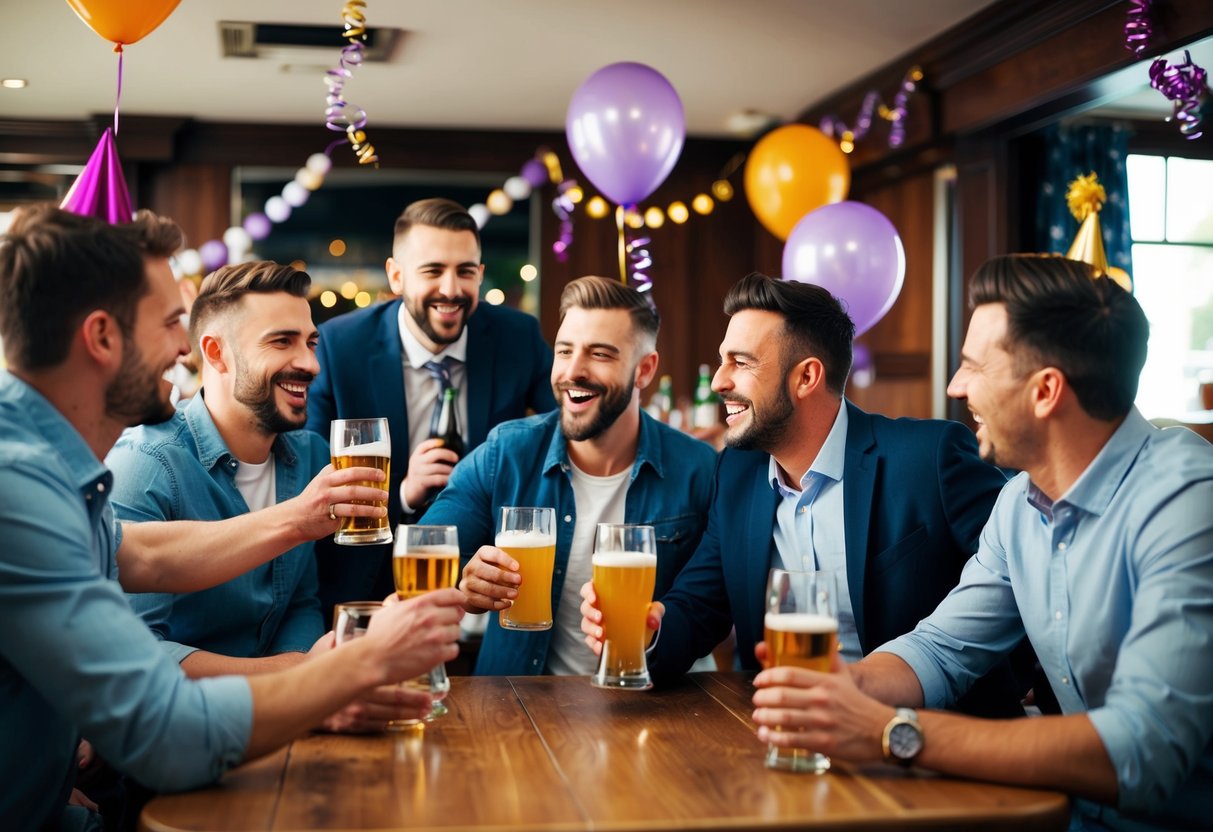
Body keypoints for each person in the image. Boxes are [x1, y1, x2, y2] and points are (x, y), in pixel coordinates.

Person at [0, 204, 465, 831]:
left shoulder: (44, 467)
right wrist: (357, 664)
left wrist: (301, 520)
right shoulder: (18, 483)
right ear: (103, 337)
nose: (181, 345)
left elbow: (143, 553)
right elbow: (165, 729)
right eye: (169, 322)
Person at [750, 255, 1213, 830]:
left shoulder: (1189, 498)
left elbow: (1144, 749)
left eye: (973, 367)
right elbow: (942, 648)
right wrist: (847, 684)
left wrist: (889, 732)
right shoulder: (1020, 502)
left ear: (1046, 391)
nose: (954, 386)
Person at [581, 272, 1023, 716]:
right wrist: (649, 630)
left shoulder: (930, 458)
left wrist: (1023, 698)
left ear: (807, 376)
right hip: (782, 733)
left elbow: (1019, 587)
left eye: (741, 362)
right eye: (722, 360)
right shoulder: (738, 472)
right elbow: (699, 606)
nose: (718, 381)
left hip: (927, 739)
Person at [106, 261, 417, 732]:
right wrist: (301, 676)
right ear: (216, 353)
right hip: (176, 739)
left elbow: (298, 601)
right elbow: (139, 655)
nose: (311, 363)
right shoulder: (148, 463)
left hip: (284, 728)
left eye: (311, 343)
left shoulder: (311, 454)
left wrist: (311, 670)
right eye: (281, 341)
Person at [421, 276, 717, 675]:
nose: (573, 371)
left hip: (653, 710)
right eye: (564, 351)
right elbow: (427, 549)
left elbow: (712, 607)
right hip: (519, 712)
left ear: (644, 370)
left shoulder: (699, 469)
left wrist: (660, 630)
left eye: (599, 354)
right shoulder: (506, 452)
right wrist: (463, 585)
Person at [306, 197, 556, 615]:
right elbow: (312, 474)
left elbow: (566, 431)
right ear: (397, 276)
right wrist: (400, 491)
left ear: (480, 274)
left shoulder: (519, 337)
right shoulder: (338, 345)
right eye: (433, 271)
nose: (451, 289)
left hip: (488, 578)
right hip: (366, 578)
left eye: (465, 271)